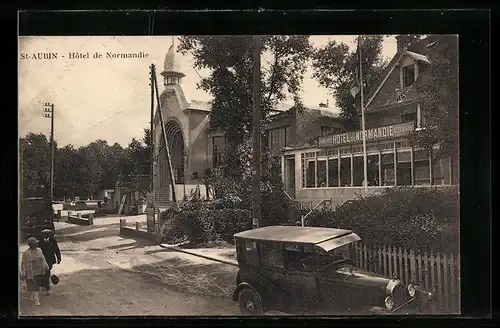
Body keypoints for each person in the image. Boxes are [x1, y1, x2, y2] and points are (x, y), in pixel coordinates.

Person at [20, 237, 49, 306]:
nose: (37, 244)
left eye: (37, 243)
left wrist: (46, 267)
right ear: (31, 244)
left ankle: (33, 296)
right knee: (33, 286)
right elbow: (23, 263)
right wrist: (23, 273)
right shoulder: (26, 253)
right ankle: (36, 299)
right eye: (35, 243)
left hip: (39, 271)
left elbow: (43, 259)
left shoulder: (39, 250)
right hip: (30, 272)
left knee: (36, 285)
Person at [38, 229, 61, 295]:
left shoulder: (53, 241)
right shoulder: (40, 242)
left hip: (50, 260)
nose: (46, 236)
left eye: (47, 234)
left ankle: (45, 287)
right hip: (42, 260)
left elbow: (57, 250)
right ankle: (45, 286)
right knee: (45, 274)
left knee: (46, 273)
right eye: (44, 234)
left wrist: (59, 258)